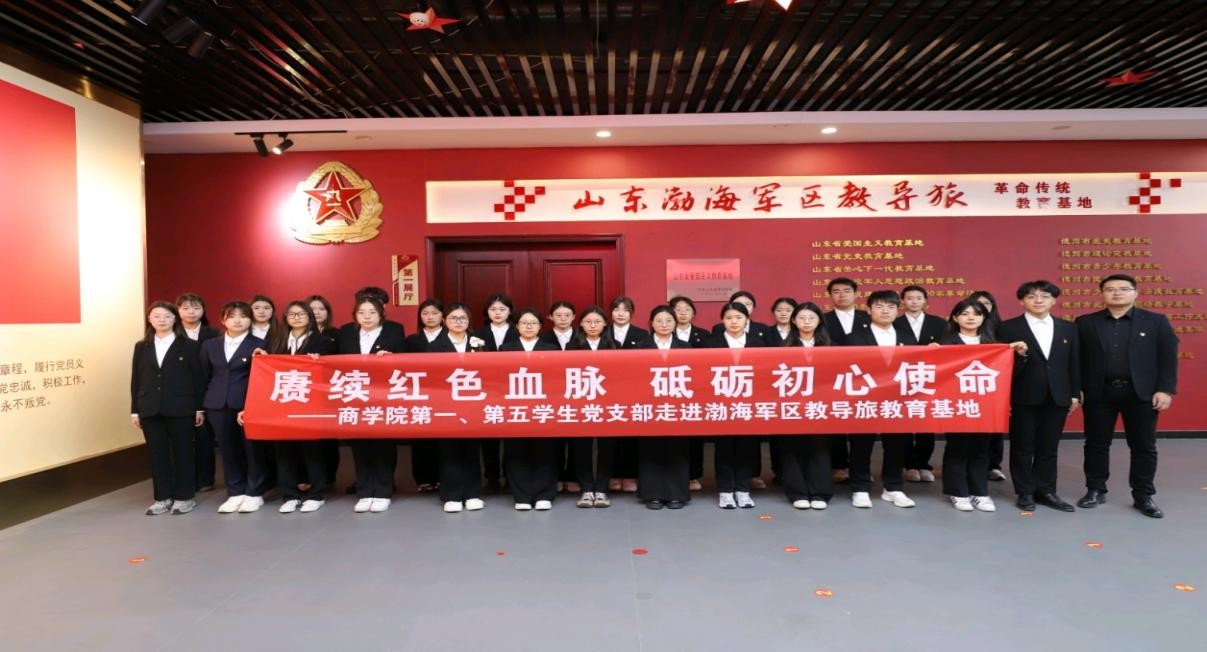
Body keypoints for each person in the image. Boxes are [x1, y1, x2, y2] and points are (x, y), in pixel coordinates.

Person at [1076, 274, 1178, 519]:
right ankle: (1095, 490)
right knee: (1096, 444)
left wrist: (1165, 389)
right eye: (1110, 289)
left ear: (1135, 293)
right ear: (1102, 294)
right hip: (1099, 392)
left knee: (1143, 446)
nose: (1117, 293)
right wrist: (1076, 388)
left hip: (1140, 393)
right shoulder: (1086, 322)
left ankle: (1143, 495)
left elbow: (1167, 358)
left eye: (1123, 288)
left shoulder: (1156, 321)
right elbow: (1076, 359)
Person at [935, 299, 1027, 512]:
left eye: (976, 314)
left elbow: (1008, 374)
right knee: (957, 448)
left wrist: (1020, 356)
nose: (970, 318)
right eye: (965, 313)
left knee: (981, 449)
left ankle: (979, 492)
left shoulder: (994, 343)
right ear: (955, 317)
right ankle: (958, 492)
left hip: (985, 405)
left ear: (984, 318)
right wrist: (932, 353)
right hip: (957, 404)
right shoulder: (946, 343)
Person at [997, 280, 1081, 512]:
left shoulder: (1068, 328)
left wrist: (1075, 393)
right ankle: (1025, 491)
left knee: (1049, 447)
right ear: (1021, 301)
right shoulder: (1006, 328)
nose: (1038, 300)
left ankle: (1046, 491)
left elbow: (1074, 362)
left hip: (1058, 395)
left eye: (1044, 296)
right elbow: (1001, 367)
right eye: (1031, 296)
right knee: (1022, 446)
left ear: (1053, 300)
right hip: (1022, 395)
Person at [131, 301, 205, 515]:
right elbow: (136, 379)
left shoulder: (189, 345)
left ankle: (184, 497)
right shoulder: (141, 346)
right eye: (156, 316)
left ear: (175, 319)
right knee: (157, 454)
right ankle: (162, 497)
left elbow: (198, 378)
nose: (161, 320)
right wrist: (135, 410)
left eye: (167, 316)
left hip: (181, 407)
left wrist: (199, 408)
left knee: (183, 452)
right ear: (149, 319)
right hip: (149, 407)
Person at [844, 290, 915, 509]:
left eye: (891, 307)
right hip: (865, 400)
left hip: (897, 401)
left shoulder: (907, 337)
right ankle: (860, 488)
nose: (885, 311)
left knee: (896, 445)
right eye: (879, 306)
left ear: (898, 310)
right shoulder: (854, 337)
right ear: (869, 310)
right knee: (861, 445)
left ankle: (893, 488)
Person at [336, 295, 406, 513]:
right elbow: (334, 361)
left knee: (383, 444)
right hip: (355, 395)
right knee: (360, 445)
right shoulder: (346, 333)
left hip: (384, 396)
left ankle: (383, 491)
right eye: (361, 313)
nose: (367, 317)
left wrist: (392, 358)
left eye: (372, 312)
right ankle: (365, 491)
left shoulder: (393, 332)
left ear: (381, 314)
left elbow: (406, 362)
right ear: (355, 315)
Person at [200, 301, 269, 514]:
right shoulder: (210, 345)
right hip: (217, 403)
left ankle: (254, 492)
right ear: (223, 320)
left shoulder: (260, 344)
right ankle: (235, 491)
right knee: (227, 449)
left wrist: (253, 404)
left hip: (247, 404)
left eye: (243, 316)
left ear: (250, 320)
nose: (238, 320)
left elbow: (263, 379)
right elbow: (204, 376)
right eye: (232, 316)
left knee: (252, 449)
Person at [271, 301, 336, 513]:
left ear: (309, 317)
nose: (296, 317)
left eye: (301, 314)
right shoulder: (276, 341)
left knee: (312, 450)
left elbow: (330, 371)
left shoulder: (323, 342)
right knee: (284, 451)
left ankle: (317, 494)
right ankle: (290, 494)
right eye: (291, 314)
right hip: (282, 403)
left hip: (310, 403)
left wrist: (319, 361)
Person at [703, 302, 764, 509]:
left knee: (747, 447)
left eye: (738, 317)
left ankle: (743, 490)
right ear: (722, 320)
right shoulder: (711, 343)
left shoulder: (758, 343)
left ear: (747, 319)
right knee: (724, 448)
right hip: (722, 403)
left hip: (749, 404)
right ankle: (725, 491)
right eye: (729, 318)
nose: (734, 322)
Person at [499, 308, 561, 511]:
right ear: (516, 326)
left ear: (540, 327)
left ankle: (545, 494)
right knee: (516, 450)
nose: (528, 326)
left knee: (545, 450)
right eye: (524, 323)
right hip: (515, 407)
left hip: (543, 407)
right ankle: (521, 495)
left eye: (533, 323)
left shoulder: (551, 349)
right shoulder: (505, 349)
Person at [430, 303, 487, 513]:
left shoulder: (479, 344)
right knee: (449, 450)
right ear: (445, 321)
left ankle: (472, 493)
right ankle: (451, 495)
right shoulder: (435, 346)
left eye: (462, 318)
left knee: (471, 449)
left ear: (469, 321)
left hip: (473, 403)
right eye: (453, 318)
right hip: (446, 404)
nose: (458, 322)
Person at [636, 305, 691, 509]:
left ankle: (677, 494)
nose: (664, 324)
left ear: (675, 323)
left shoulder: (686, 347)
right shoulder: (640, 347)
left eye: (669, 320)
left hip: (677, 405)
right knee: (651, 448)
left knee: (678, 449)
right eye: (659, 320)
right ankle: (653, 494)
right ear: (651, 323)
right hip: (650, 405)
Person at [780, 302, 834, 510]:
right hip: (792, 405)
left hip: (821, 405)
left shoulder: (832, 346)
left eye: (811, 318)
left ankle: (820, 492)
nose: (807, 322)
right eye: (802, 318)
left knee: (819, 448)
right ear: (794, 321)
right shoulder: (782, 346)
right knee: (793, 447)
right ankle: (797, 492)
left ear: (819, 321)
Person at [895, 285, 947, 484]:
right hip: (901, 378)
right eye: (909, 298)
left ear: (926, 301)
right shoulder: (895, 323)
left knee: (927, 423)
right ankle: (909, 465)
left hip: (930, 378)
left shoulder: (939, 323)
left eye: (918, 298)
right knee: (905, 423)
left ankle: (924, 464)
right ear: (902, 302)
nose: (914, 301)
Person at [567, 306, 618, 508]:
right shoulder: (572, 346)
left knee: (607, 447)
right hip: (581, 404)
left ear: (605, 323)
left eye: (597, 321)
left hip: (607, 404)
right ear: (581, 324)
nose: (593, 325)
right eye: (588, 322)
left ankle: (602, 489)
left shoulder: (613, 344)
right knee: (582, 447)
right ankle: (587, 489)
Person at [822, 277, 869, 484]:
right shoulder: (823, 319)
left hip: (865, 376)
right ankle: (839, 465)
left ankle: (861, 469)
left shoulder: (868, 317)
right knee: (836, 420)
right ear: (830, 295)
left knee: (862, 423)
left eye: (846, 291)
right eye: (836, 291)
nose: (841, 295)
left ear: (856, 294)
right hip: (833, 376)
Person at [474, 293, 518, 495]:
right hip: (487, 390)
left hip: (513, 389)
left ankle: (510, 477)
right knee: (488, 436)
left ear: (510, 311)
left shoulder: (519, 331)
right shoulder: (477, 333)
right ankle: (491, 478)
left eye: (502, 309)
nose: (497, 313)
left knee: (511, 436)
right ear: (487, 312)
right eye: (493, 309)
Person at [176, 292, 219, 493]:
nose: (191, 312)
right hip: (180, 390)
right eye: (185, 308)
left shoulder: (214, 333)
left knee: (204, 437)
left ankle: (205, 479)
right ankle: (185, 479)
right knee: (181, 438)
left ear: (203, 310)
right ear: (178, 311)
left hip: (208, 387)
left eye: (196, 308)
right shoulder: (172, 332)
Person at [402, 298, 447, 493]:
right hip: (418, 393)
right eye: (425, 313)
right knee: (421, 436)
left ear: (443, 316)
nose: (430, 317)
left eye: (435, 313)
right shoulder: (411, 340)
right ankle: (424, 478)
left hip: (445, 393)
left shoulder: (451, 337)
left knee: (444, 437)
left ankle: (443, 477)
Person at [537, 301, 579, 493]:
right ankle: (556, 477)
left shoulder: (582, 336)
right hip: (550, 393)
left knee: (576, 439)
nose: (563, 319)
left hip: (577, 392)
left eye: (567, 315)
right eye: (558, 315)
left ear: (574, 317)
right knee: (554, 440)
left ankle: (573, 476)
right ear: (550, 317)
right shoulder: (542, 338)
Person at [669, 295, 710, 491]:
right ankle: (673, 473)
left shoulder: (704, 334)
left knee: (694, 436)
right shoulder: (664, 332)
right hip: (670, 390)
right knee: (673, 436)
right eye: (678, 309)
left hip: (696, 391)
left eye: (687, 309)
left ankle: (693, 475)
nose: (683, 313)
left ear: (694, 313)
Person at [609, 296, 650, 493]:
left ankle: (631, 475)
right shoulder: (603, 332)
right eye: (616, 309)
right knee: (612, 436)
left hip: (634, 391)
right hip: (608, 390)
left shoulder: (642, 334)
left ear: (631, 313)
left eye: (625, 310)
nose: (620, 314)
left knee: (632, 436)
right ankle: (614, 474)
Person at [969, 289, 1008, 481]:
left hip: (994, 384)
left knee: (994, 428)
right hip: (968, 384)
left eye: (986, 303)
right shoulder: (961, 328)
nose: (982, 307)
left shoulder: (1002, 328)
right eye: (977, 303)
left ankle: (993, 465)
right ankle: (971, 465)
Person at [305, 293, 341, 485]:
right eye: (312, 309)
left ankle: (329, 476)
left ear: (328, 312)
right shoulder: (297, 334)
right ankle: (308, 476)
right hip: (305, 390)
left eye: (321, 309)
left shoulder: (337, 334)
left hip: (330, 389)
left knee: (328, 435)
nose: (317, 312)